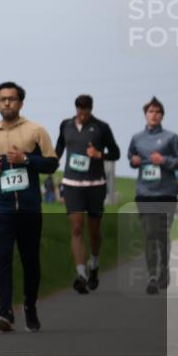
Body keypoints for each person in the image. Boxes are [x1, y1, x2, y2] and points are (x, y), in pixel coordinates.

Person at [0, 82, 59, 333]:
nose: (7, 103)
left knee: (30, 261)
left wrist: (26, 159)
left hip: (28, 208)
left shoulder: (36, 131)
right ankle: (5, 311)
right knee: (2, 260)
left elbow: (51, 164)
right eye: (2, 99)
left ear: (21, 103)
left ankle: (30, 306)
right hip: (1, 207)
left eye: (12, 99)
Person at [55, 94, 120, 294]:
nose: (82, 114)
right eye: (79, 110)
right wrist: (48, 161)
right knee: (76, 228)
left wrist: (99, 155)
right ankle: (81, 274)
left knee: (93, 232)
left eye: (86, 110)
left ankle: (95, 263)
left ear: (91, 109)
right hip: (72, 184)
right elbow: (58, 149)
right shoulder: (65, 125)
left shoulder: (101, 127)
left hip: (95, 184)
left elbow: (116, 153)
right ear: (75, 108)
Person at [128, 96, 178, 294]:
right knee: (149, 234)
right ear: (145, 114)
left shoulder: (171, 137)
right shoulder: (137, 138)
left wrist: (164, 160)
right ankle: (152, 276)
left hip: (166, 194)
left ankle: (164, 270)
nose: (154, 115)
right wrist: (134, 161)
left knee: (162, 235)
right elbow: (131, 156)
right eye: (150, 111)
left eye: (157, 112)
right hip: (144, 193)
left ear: (162, 116)